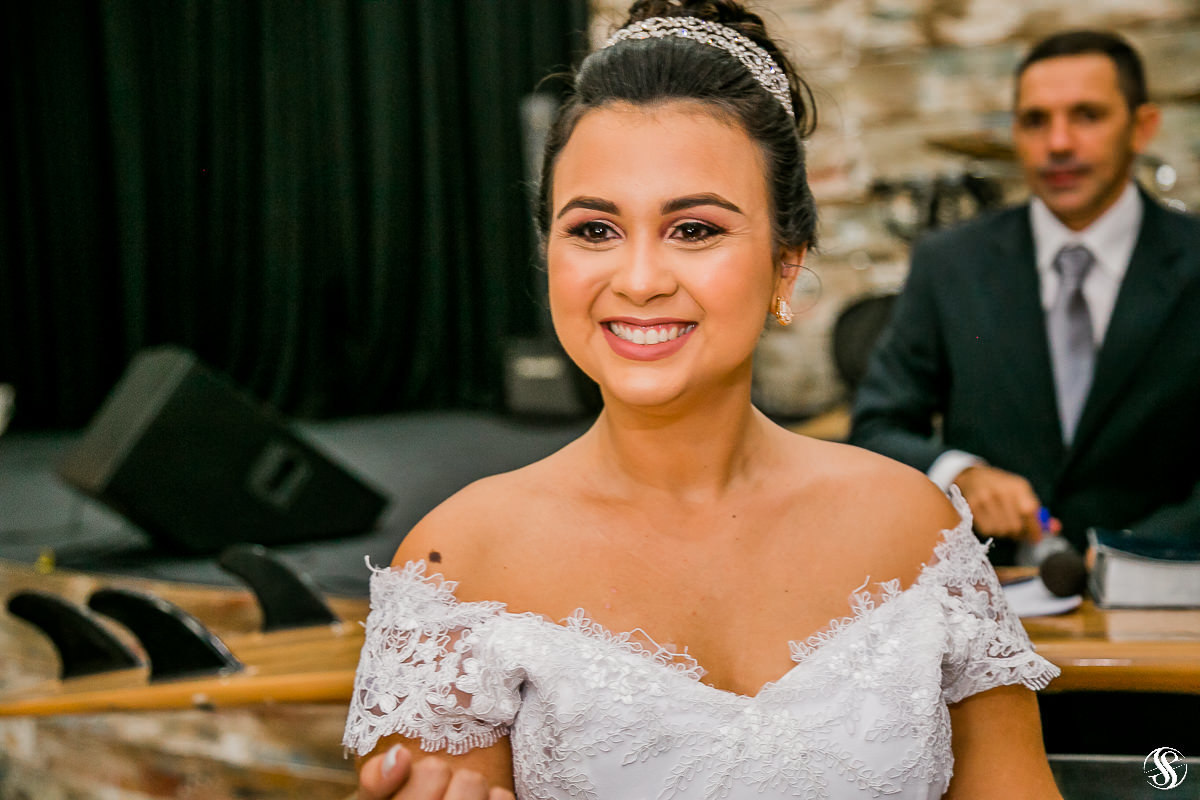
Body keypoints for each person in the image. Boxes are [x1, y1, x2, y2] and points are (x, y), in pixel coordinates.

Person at [343, 2, 1063, 797]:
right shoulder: (459, 564)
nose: (641, 278)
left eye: (693, 230)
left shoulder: (917, 532)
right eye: (593, 230)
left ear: (786, 266)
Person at [850, 30, 1200, 563]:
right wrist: (957, 472)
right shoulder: (949, 263)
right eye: (1036, 121)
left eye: (1086, 115)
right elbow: (877, 429)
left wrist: (1134, 553)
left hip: (1166, 600)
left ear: (1142, 127)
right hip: (992, 601)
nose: (1058, 142)